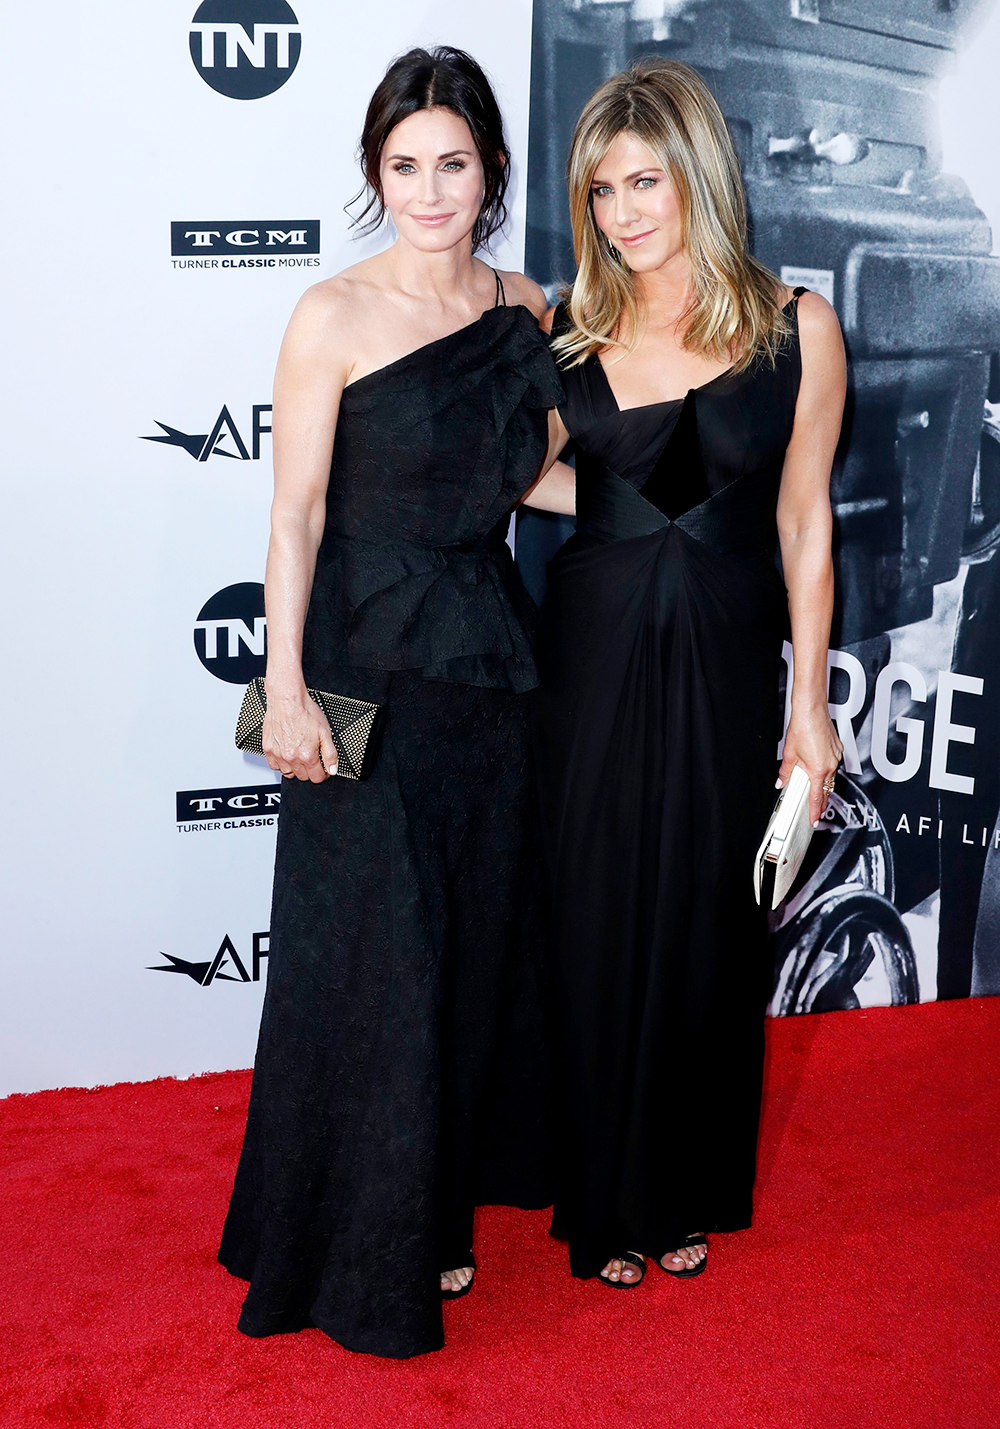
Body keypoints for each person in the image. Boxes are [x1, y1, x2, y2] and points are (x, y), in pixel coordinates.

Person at [218, 46, 568, 1359]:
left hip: (489, 663)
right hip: (360, 667)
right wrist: (284, 685)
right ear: (377, 173)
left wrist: (685, 507)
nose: (431, 191)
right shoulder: (332, 314)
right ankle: (351, 1241)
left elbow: (525, 486)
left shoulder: (526, 306)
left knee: (472, 952)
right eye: (405, 165)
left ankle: (437, 1213)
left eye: (455, 165)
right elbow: (295, 513)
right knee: (369, 959)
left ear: (490, 172)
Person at [531, 58, 845, 1287]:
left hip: (722, 648)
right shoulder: (573, 328)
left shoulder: (795, 324)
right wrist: (622, 511)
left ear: (698, 176)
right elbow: (526, 474)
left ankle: (677, 1187)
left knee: (706, 920)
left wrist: (807, 709)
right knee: (596, 914)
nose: (621, 213)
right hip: (592, 647)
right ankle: (605, 1202)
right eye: (602, 190)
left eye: (644, 181)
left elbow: (805, 520)